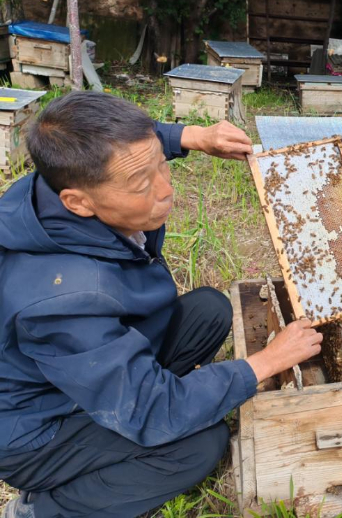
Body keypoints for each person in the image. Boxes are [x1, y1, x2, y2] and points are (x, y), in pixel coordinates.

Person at [0, 92, 323, 518]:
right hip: (37, 430)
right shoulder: (65, 300)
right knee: (199, 445)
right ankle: (44, 509)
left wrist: (193, 137)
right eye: (142, 185)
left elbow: (132, 148)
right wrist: (265, 363)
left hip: (80, 366)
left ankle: (146, 385)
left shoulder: (56, 178)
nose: (166, 190)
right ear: (77, 201)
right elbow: (152, 410)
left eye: (161, 165)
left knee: (209, 309)